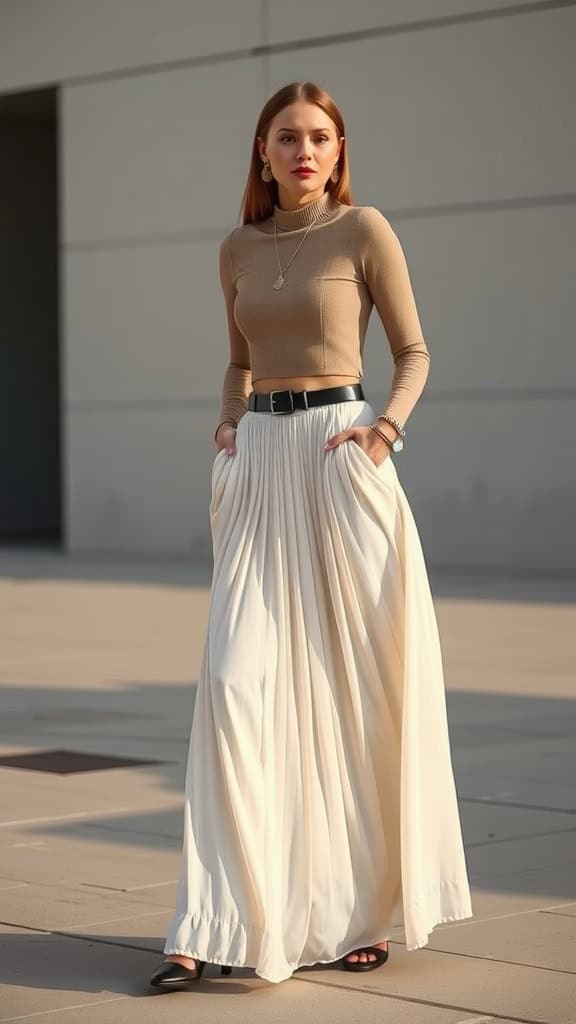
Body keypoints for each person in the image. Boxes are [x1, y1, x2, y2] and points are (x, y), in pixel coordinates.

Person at [149, 80, 472, 991]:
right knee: (232, 685)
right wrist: (227, 425)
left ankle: (359, 910)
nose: (304, 150)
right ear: (262, 150)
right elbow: (239, 359)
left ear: (338, 151)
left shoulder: (365, 231)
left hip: (341, 463)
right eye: (287, 136)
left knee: (353, 696)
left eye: (320, 138)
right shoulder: (237, 248)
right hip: (260, 468)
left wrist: (383, 434)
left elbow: (414, 352)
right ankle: (207, 920)